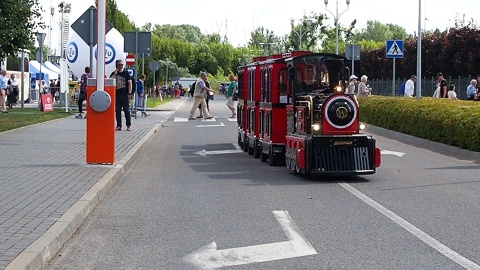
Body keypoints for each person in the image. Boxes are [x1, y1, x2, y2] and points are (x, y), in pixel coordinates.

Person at [110, 59, 133, 131]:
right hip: (116, 95)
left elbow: (130, 83)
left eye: (122, 65)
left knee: (126, 110)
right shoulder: (114, 73)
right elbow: (109, 81)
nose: (120, 66)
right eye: (119, 65)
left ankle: (128, 125)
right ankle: (119, 125)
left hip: (124, 94)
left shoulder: (126, 73)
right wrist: (115, 74)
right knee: (118, 111)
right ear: (116, 65)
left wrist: (129, 93)